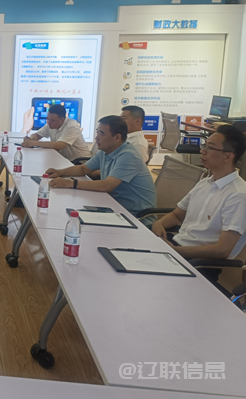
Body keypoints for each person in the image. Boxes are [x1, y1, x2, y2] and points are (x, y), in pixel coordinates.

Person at [151, 125, 246, 289]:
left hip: (198, 264)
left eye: (210, 148)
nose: (202, 151)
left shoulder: (238, 195)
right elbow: (176, 215)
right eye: (204, 145)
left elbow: (222, 250)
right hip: (177, 247)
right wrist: (159, 224)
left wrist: (177, 252)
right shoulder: (206, 182)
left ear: (228, 156)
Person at [45, 115, 156, 215]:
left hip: (136, 215)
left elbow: (106, 186)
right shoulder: (105, 151)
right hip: (113, 205)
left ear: (117, 138)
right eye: (97, 133)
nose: (96, 137)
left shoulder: (128, 155)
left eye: (101, 134)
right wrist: (60, 172)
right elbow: (83, 169)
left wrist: (70, 183)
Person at [21, 104, 91, 161]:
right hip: (65, 160)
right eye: (47, 119)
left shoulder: (71, 126)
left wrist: (33, 143)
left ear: (62, 120)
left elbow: (59, 146)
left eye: (52, 120)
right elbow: (37, 135)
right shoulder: (49, 124)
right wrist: (30, 139)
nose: (49, 122)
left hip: (80, 162)